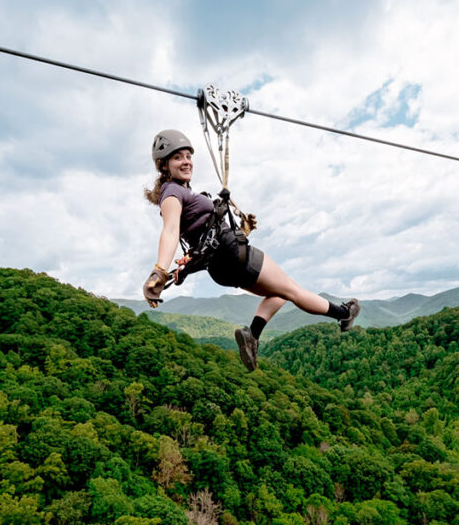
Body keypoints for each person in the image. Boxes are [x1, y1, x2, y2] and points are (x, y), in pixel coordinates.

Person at [142, 129, 360, 371]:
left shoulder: (180, 192)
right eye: (178, 158)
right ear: (163, 166)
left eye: (188, 156)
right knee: (293, 290)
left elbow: (204, 240)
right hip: (233, 254)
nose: (186, 162)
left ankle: (252, 335)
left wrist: (242, 231)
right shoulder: (172, 193)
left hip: (222, 267)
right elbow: (170, 231)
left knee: (280, 294)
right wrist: (160, 271)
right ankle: (344, 313)